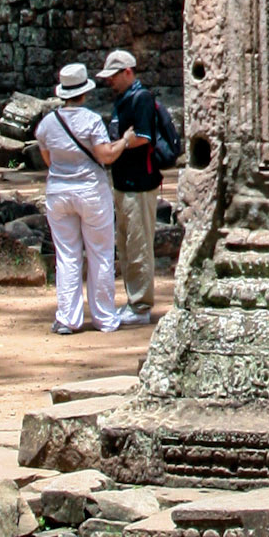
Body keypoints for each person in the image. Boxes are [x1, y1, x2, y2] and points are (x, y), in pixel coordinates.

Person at [34, 64, 150, 335]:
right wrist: (124, 141)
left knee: (67, 255)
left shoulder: (47, 123)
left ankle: (68, 318)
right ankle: (104, 317)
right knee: (100, 254)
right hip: (90, 191)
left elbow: (48, 159)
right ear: (84, 92)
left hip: (59, 192)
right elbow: (105, 155)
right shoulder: (90, 120)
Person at [97, 48, 162, 328]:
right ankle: (134, 300)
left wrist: (121, 143)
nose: (110, 81)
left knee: (138, 245)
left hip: (139, 184)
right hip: (123, 183)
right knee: (125, 245)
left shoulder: (141, 99)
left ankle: (141, 305)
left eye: (114, 75)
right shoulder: (122, 100)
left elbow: (143, 136)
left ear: (128, 72)